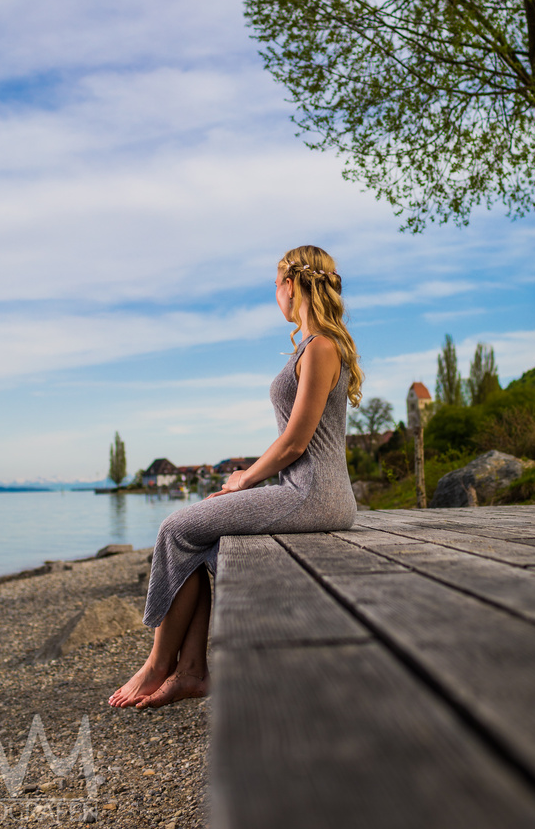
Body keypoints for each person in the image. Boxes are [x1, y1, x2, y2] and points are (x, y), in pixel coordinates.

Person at [109, 245, 363, 709]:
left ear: (291, 285)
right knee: (197, 534)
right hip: (305, 491)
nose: (275, 294)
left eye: (275, 284)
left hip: (314, 494)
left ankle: (158, 666)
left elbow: (294, 443)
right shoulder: (311, 344)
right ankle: (190, 672)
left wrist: (246, 478)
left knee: (175, 526)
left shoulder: (322, 346)